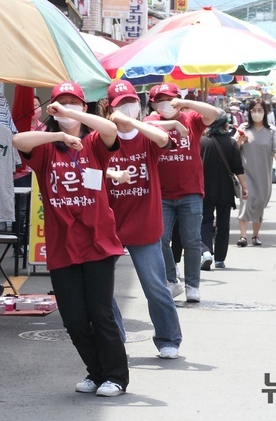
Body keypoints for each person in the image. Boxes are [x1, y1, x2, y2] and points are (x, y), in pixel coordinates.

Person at [12, 81, 129, 397]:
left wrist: (73, 116)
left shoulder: (93, 143)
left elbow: (109, 128)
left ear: (83, 107)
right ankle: (96, 373)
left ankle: (116, 376)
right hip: (62, 246)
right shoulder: (46, 148)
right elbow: (18, 138)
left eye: (74, 103)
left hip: (98, 243)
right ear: (52, 109)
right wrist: (59, 134)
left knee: (100, 313)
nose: (67, 108)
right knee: (74, 320)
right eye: (60, 103)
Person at [103, 79, 183, 359]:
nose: (128, 108)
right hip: (109, 224)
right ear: (109, 109)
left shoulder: (148, 134)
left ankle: (169, 338)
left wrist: (132, 124)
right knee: (102, 289)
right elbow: (91, 169)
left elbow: (164, 140)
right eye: (120, 104)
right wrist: (111, 174)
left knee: (155, 286)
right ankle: (116, 338)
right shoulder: (103, 138)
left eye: (132, 103)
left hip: (145, 223)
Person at [144, 83, 218, 303]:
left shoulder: (192, 119)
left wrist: (185, 103)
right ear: (154, 104)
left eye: (169, 99)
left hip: (191, 191)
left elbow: (213, 113)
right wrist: (173, 123)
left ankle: (193, 285)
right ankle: (171, 280)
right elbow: (144, 124)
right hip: (162, 194)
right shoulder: (153, 122)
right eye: (160, 100)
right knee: (159, 238)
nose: (165, 104)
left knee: (192, 241)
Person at [200, 108, 248, 270]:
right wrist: (244, 187)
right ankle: (220, 258)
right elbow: (238, 168)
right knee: (223, 224)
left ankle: (206, 251)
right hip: (225, 190)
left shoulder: (201, 142)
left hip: (205, 189)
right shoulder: (231, 142)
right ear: (225, 125)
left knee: (205, 221)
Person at [233, 98, 276, 247]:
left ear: (265, 112)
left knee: (260, 202)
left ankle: (255, 235)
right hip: (246, 173)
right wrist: (240, 141)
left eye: (260, 110)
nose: (256, 113)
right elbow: (233, 149)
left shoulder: (272, 131)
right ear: (249, 112)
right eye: (253, 110)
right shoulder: (243, 128)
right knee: (246, 201)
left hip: (264, 174)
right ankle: (243, 236)